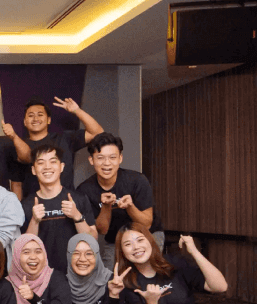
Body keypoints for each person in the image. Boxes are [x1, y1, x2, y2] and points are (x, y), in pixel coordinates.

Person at [114, 224, 228, 304]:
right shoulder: (126, 282)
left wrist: (194, 252)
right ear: (122, 251)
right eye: (128, 244)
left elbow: (220, 287)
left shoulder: (175, 264)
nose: (136, 247)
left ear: (150, 241)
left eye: (140, 240)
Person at [76, 132, 164, 267]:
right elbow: (102, 230)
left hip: (147, 234)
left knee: (147, 271)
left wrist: (130, 207)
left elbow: (147, 223)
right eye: (100, 158)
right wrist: (106, 207)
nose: (107, 163)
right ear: (91, 160)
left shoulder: (137, 180)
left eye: (112, 157)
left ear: (120, 158)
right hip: (114, 239)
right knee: (111, 277)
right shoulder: (85, 190)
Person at [21, 145, 97, 272]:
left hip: (75, 274)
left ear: (61, 167)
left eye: (52, 161)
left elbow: (93, 240)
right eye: (41, 163)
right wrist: (34, 221)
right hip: (40, 275)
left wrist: (77, 216)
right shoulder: (26, 205)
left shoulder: (78, 199)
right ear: (34, 170)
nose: (47, 167)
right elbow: (24, 248)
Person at [19, 97, 104, 198]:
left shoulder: (64, 138)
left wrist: (77, 111)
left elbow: (97, 132)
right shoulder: (20, 147)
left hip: (67, 203)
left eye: (40, 115)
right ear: (24, 121)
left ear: (49, 120)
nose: (36, 119)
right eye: (31, 116)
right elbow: (17, 183)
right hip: (34, 207)